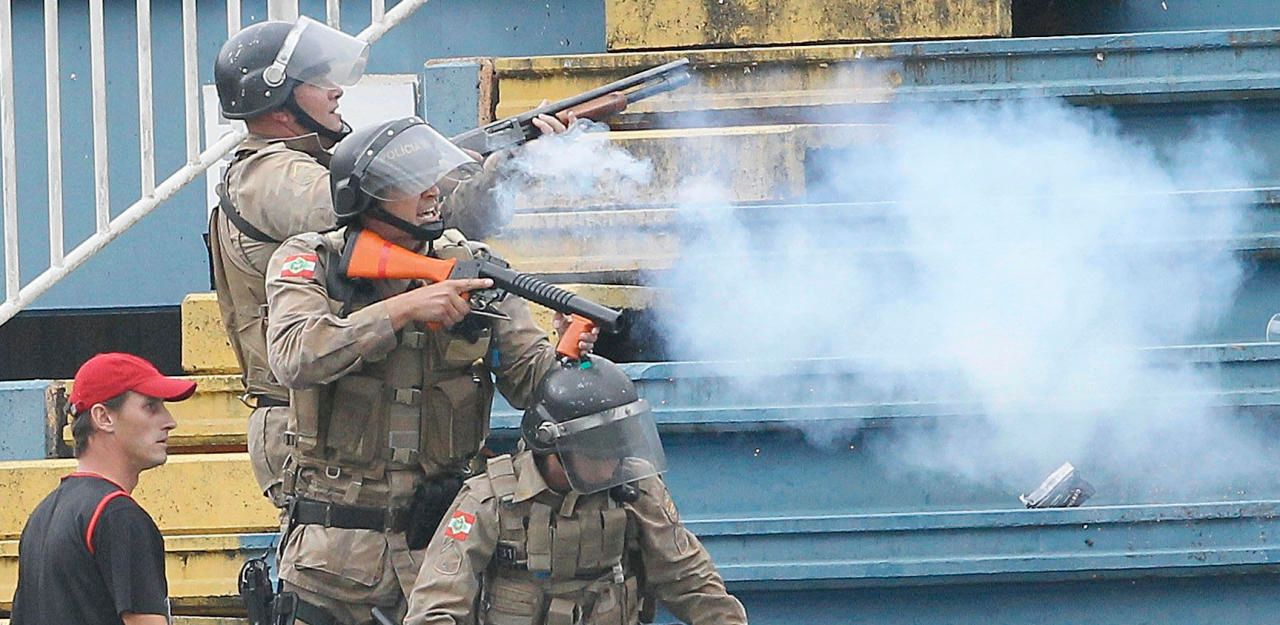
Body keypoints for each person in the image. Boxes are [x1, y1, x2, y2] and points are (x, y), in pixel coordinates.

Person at [209, 17, 567, 507]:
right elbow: (370, 207)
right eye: (317, 80)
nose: (336, 91)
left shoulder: (294, 165)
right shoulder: (269, 175)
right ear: (278, 101)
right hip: (315, 422)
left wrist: (502, 160)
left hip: (366, 407)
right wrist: (472, 163)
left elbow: (436, 217)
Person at [263, 116, 597, 624]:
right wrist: (403, 310)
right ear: (365, 197)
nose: (432, 193)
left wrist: (569, 352)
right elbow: (293, 355)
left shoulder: (474, 264)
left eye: (432, 179)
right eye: (410, 184)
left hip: (444, 555)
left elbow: (531, 383)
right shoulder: (312, 261)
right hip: (335, 557)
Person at [404, 353, 748, 625]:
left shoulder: (633, 486)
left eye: (618, 449)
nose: (612, 464)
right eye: (598, 452)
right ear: (553, 448)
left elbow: (689, 580)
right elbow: (435, 606)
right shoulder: (488, 500)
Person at [10, 353, 198, 625]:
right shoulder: (118, 515)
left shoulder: (42, 515)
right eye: (151, 406)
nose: (170, 421)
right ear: (103, 417)